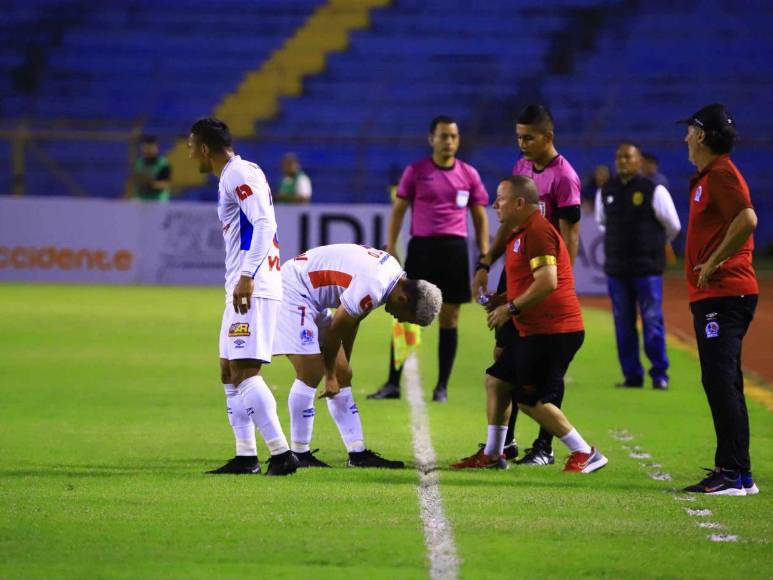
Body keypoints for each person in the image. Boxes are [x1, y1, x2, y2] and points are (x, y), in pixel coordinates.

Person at [451, 176, 607, 474]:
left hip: (554, 331)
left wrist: (510, 308)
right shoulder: (520, 231)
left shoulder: (537, 231)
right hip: (537, 329)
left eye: (501, 198)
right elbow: (531, 283)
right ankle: (494, 453)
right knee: (497, 381)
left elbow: (548, 282)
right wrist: (501, 299)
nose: (495, 204)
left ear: (520, 203)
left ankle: (585, 452)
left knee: (528, 399)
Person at [187, 117, 298, 476]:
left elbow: (265, 223)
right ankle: (246, 455)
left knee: (245, 371)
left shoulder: (237, 174)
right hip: (241, 284)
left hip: (254, 285)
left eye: (191, 148)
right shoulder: (237, 173)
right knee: (227, 370)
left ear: (205, 149)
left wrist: (248, 275)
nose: (189, 155)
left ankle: (281, 454)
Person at [473, 104, 582, 466]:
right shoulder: (521, 170)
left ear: (548, 137)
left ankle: (546, 446)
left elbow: (570, 234)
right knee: (503, 357)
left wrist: (558, 283)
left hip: (546, 275)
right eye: (519, 137)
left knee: (546, 369)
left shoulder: (565, 177)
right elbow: (508, 221)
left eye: (529, 138)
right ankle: (505, 442)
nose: (522, 144)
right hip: (520, 270)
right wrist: (488, 261)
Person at [273, 244, 442, 467]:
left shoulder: (391, 273)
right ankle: (299, 453)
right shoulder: (374, 286)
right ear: (403, 300)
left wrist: (340, 369)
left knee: (343, 373)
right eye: (406, 318)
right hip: (294, 289)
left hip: (312, 295)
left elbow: (351, 324)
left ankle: (357, 454)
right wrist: (330, 374)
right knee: (311, 372)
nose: (399, 321)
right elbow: (335, 330)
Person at [368, 115, 490, 403]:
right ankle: (393, 383)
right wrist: (392, 246)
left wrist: (484, 251)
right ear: (431, 139)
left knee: (450, 317)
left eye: (453, 136)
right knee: (405, 314)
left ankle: (442, 387)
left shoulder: (469, 174)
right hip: (422, 249)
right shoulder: (416, 171)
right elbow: (399, 209)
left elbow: (480, 216)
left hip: (454, 251)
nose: (449, 142)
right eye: (443, 136)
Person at [678, 104, 759, 496]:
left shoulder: (722, 174)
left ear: (703, 136)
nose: (685, 137)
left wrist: (714, 260)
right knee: (726, 381)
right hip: (718, 294)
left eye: (690, 130)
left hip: (724, 294)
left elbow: (747, 219)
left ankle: (730, 471)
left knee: (720, 380)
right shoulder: (708, 176)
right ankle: (739, 473)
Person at [595, 143, 681, 390]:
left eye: (628, 157)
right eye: (619, 157)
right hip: (617, 269)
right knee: (623, 323)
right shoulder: (606, 190)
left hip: (647, 268)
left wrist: (652, 245)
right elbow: (602, 224)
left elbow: (673, 226)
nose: (622, 161)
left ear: (639, 161)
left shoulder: (655, 189)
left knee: (652, 320)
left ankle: (659, 374)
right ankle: (632, 375)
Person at [131, 135, 171, 201]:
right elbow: (135, 181)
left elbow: (165, 184)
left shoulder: (163, 164)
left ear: (156, 148)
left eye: (150, 148)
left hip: (157, 200)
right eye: (145, 148)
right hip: (141, 200)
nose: (147, 151)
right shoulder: (139, 163)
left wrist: (149, 184)